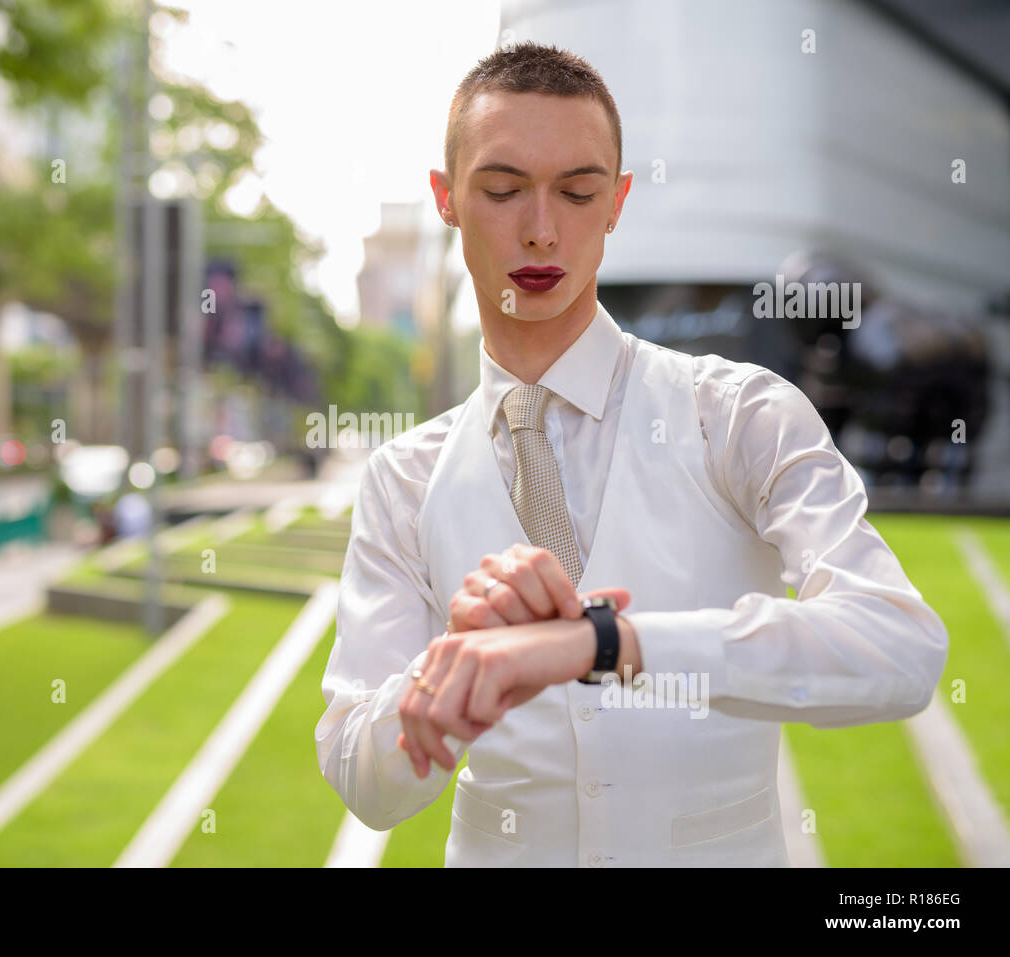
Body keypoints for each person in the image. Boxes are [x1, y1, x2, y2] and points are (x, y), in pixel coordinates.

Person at [314, 41, 949, 867]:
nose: (541, 229)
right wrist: (444, 677)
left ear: (616, 203)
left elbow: (900, 649)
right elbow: (365, 784)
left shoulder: (739, 413)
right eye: (503, 190)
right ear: (446, 199)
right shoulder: (403, 477)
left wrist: (613, 643)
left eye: (577, 193)